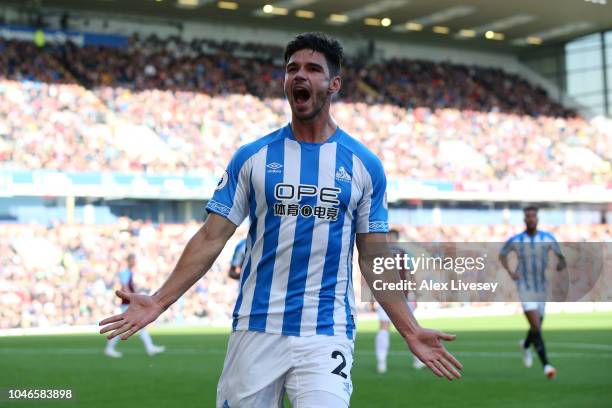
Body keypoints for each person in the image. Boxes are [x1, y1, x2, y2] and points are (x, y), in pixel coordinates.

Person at [100, 32, 461, 407]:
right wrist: (159, 300)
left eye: (313, 69)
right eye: (292, 69)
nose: (299, 76)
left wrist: (411, 329)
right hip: (256, 329)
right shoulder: (252, 157)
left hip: (326, 332)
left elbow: (372, 258)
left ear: (334, 83)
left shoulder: (364, 166)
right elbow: (211, 237)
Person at [499, 206, 566, 379]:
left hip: (542, 287)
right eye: (527, 216)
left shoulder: (548, 238)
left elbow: (561, 257)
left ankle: (526, 345)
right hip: (525, 287)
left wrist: (560, 265)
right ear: (524, 220)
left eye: (533, 216)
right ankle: (547, 365)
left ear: (537, 219)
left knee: (537, 325)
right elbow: (502, 255)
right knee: (536, 326)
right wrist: (511, 272)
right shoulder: (516, 240)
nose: (530, 219)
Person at [375, 229, 424, 373]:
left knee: (384, 327)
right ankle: (417, 360)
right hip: (401, 295)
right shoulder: (404, 252)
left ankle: (381, 362)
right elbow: (411, 274)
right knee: (410, 328)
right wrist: (416, 292)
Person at [104, 254, 166, 358]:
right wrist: (133, 299)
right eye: (133, 259)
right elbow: (125, 287)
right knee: (125, 326)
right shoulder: (124, 273)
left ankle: (150, 348)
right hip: (128, 304)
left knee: (139, 326)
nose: (135, 262)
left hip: (129, 303)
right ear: (129, 260)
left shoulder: (129, 272)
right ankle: (109, 348)